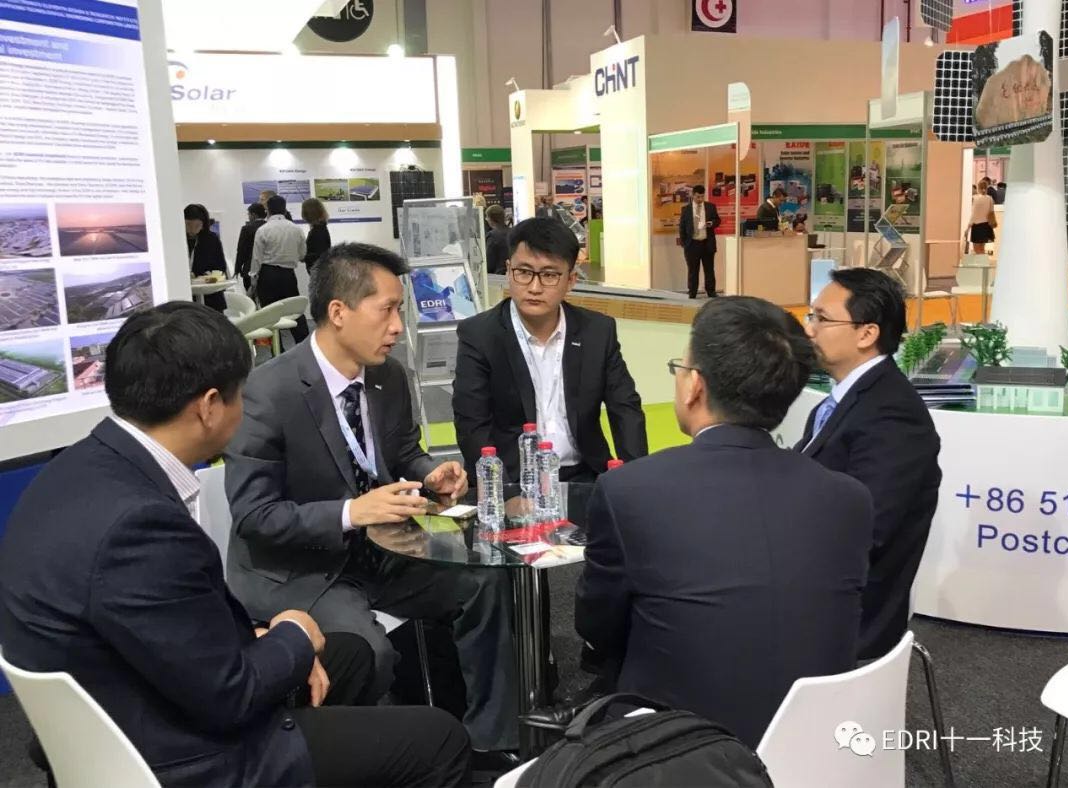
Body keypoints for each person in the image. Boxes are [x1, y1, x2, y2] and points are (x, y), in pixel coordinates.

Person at [0, 302, 471, 788]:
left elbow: (167, 625)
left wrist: (262, 637)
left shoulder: (80, 468)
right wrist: (292, 632)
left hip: (127, 700)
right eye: (239, 395)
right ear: (209, 406)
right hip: (179, 754)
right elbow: (232, 695)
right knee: (439, 740)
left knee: (349, 655)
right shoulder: (140, 527)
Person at [225, 242, 520, 770]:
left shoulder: (387, 377)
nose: (398, 327)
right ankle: (371, 763)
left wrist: (430, 473)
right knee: (371, 653)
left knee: (485, 583)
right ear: (339, 311)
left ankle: (487, 739)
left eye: (400, 310)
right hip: (302, 570)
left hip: (384, 551)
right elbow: (253, 515)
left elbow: (403, 452)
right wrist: (350, 513)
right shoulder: (269, 391)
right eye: (387, 310)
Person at [575, 296, 874, 747]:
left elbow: (596, 627)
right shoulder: (849, 498)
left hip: (677, 748)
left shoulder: (630, 491)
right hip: (819, 743)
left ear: (694, 386)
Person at [795, 267, 942, 661]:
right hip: (812, 586)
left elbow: (865, 530)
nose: (809, 329)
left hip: (846, 618)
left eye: (822, 318)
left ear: (866, 334)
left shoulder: (893, 416)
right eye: (811, 315)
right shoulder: (846, 399)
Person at [454, 217, 647, 484]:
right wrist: (506, 493)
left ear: (571, 280)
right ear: (508, 270)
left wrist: (636, 481)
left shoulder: (597, 331)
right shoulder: (479, 335)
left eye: (549, 275)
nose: (534, 287)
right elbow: (471, 424)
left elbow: (625, 409)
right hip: (514, 480)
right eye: (523, 272)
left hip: (584, 474)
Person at [252, 194, 309, 343]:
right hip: (288, 275)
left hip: (267, 275)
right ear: (284, 210)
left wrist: (253, 279)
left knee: (268, 315)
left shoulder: (263, 230)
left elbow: (257, 258)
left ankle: (276, 349)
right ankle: (304, 344)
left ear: (268, 210)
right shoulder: (296, 229)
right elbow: (302, 254)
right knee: (295, 312)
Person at [677, 185, 719, 299]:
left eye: (702, 196)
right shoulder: (686, 209)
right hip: (692, 244)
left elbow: (717, 220)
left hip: (707, 243)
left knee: (709, 269)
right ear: (693, 195)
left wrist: (712, 223)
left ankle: (711, 291)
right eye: (698, 197)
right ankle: (692, 292)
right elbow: (682, 227)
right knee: (693, 270)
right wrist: (685, 243)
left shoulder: (710, 207)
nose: (700, 199)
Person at [184, 203, 227, 312]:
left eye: (197, 225)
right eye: (188, 225)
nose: (192, 230)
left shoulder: (211, 240)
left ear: (203, 224)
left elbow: (221, 267)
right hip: (185, 296)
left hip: (210, 296)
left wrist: (204, 276)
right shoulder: (177, 240)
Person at [235, 202, 267, 291]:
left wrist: (237, 268)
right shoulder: (269, 227)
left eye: (249, 214)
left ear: (254, 215)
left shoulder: (246, 228)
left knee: (250, 296)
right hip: (267, 270)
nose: (248, 217)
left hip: (249, 268)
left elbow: (241, 250)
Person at [301, 197, 332, 273]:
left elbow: (320, 254)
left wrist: (303, 257)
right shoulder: (319, 228)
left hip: (319, 272)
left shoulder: (318, 232)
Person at [968, 179, 996, 255]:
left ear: (978, 188)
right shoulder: (990, 198)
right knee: (982, 248)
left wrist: (968, 228)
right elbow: (991, 212)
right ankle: (983, 262)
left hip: (976, 226)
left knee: (976, 249)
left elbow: (974, 215)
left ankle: (980, 262)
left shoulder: (974, 198)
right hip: (986, 226)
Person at [485, 204, 510, 274]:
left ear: (491, 219)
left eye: (487, 217)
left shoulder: (492, 236)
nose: (486, 219)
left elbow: (489, 264)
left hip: (497, 276)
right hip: (510, 273)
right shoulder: (513, 232)